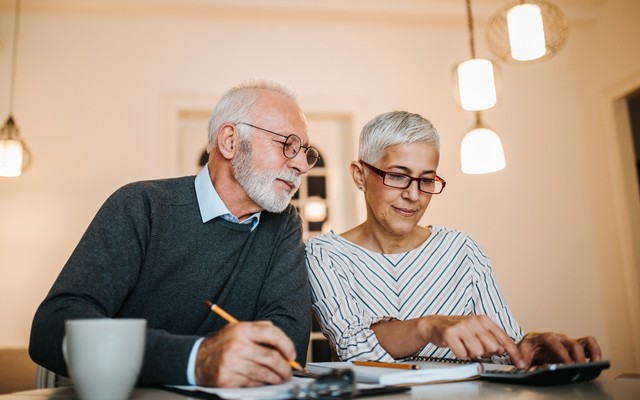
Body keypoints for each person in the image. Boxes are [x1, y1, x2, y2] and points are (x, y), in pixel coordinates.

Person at [30, 79, 319, 388]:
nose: (301, 165)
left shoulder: (284, 224)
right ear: (230, 141)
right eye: (287, 144)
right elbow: (53, 329)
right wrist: (196, 360)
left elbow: (286, 348)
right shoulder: (142, 206)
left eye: (304, 151)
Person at [305, 110, 601, 369]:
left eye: (426, 180)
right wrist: (428, 326)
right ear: (359, 176)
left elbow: (503, 353)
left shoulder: (463, 250)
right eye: (397, 176)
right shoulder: (324, 254)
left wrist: (532, 348)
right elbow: (354, 349)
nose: (413, 194)